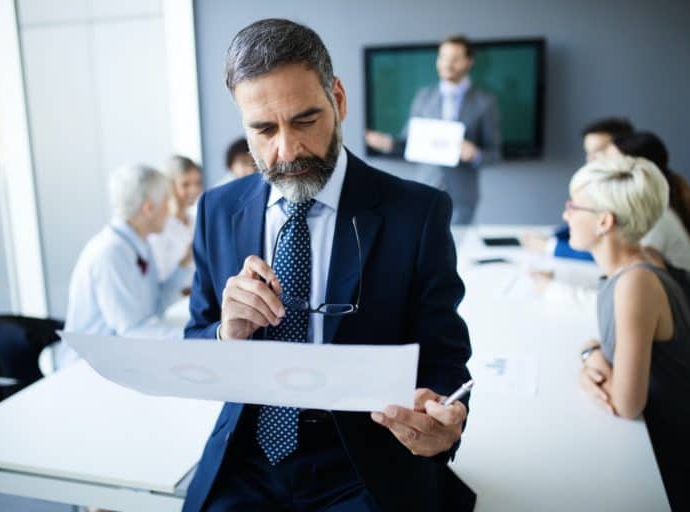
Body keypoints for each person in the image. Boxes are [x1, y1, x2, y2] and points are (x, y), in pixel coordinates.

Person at [183, 19, 473, 512]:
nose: (287, 150)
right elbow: (195, 342)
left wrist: (443, 423)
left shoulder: (418, 213)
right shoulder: (217, 210)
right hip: (246, 458)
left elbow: (445, 358)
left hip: (365, 461)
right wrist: (225, 335)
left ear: (337, 100)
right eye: (263, 129)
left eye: (304, 120)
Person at [568, 156, 690, 510]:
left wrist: (589, 364)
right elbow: (612, 351)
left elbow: (627, 403)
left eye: (572, 205)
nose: (565, 214)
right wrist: (591, 354)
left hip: (674, 469)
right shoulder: (633, 268)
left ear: (604, 221)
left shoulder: (634, 282)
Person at [532, 132, 690, 308]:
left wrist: (554, 290)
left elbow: (627, 302)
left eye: (608, 162)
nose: (596, 165)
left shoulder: (653, 223)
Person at [58, 164, 190, 368]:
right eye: (166, 202)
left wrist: (184, 264)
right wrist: (198, 336)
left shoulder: (139, 244)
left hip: (121, 360)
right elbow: (133, 332)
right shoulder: (110, 252)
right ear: (148, 208)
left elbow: (154, 307)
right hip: (88, 368)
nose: (170, 211)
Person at [365, 35, 501, 225]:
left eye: (455, 59)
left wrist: (475, 154)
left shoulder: (485, 102)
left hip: (461, 199)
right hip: (424, 191)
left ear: (468, 62)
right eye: (443, 57)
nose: (447, 64)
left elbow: (495, 154)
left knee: (457, 252)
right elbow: (407, 142)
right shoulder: (424, 96)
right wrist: (389, 143)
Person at [521, 117, 634, 259]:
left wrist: (550, 246)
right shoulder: (599, 189)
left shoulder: (631, 198)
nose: (590, 161)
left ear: (620, 151)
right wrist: (550, 238)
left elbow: (608, 252)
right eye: (588, 153)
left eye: (598, 152)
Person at [148, 155, 203, 290]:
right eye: (185, 184)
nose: (194, 190)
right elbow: (159, 279)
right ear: (170, 186)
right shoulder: (159, 228)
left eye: (197, 183)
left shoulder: (195, 221)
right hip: (175, 304)